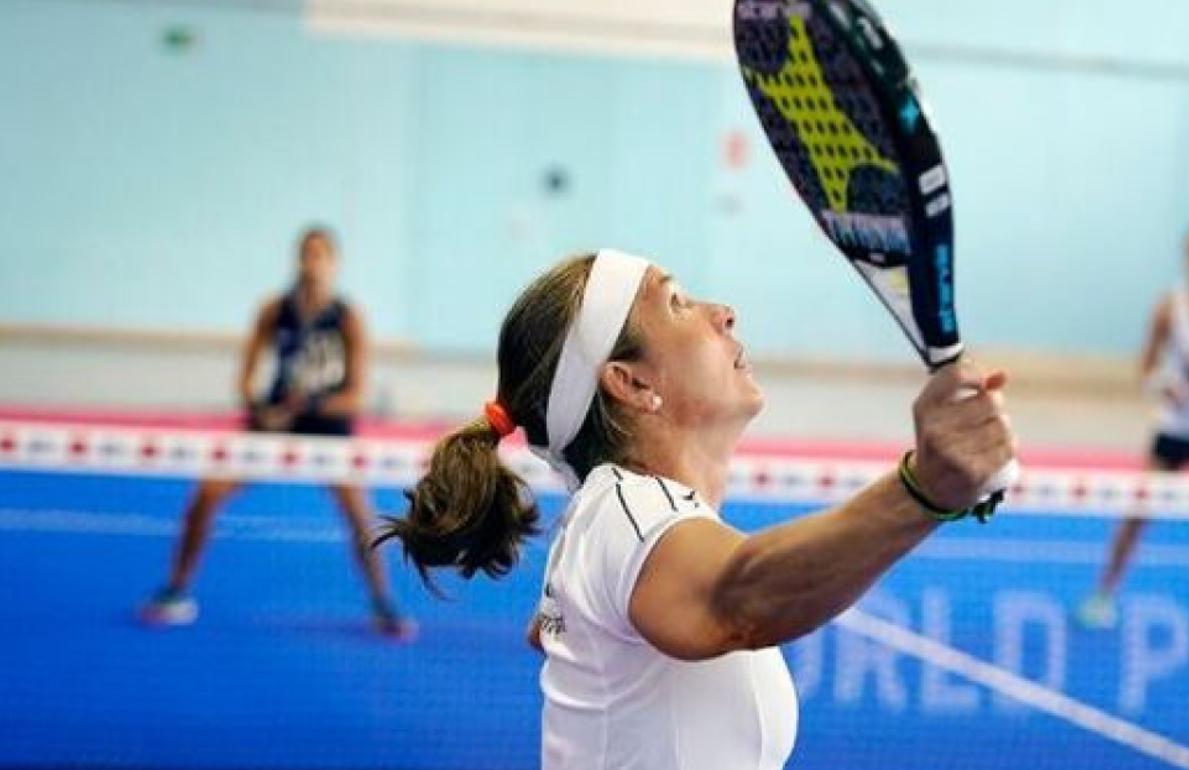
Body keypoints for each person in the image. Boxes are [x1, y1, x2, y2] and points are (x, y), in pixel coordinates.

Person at [377, 250, 1015, 769]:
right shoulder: (626, 513)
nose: (724, 313)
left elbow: (572, 630)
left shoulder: (612, 516)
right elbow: (740, 599)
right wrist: (925, 490)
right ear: (631, 383)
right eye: (678, 303)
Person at [140, 226, 413, 640]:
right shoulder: (274, 310)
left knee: (361, 517)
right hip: (273, 425)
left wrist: (311, 405)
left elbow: (356, 395)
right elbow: (246, 380)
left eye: (322, 255)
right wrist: (262, 410)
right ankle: (176, 589)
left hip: (328, 429)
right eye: (307, 254)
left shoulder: (348, 318)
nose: (313, 263)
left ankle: (381, 601)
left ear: (334, 263)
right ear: (298, 259)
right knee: (207, 493)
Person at [1079, 226, 1189, 629]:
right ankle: (1103, 595)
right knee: (1139, 509)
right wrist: (1166, 386)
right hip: (1179, 426)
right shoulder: (1169, 307)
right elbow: (1146, 369)